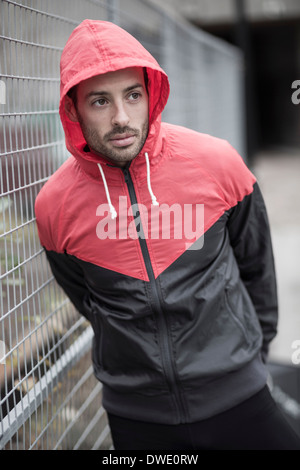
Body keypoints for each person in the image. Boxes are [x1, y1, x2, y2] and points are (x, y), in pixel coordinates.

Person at [35, 19, 300, 450]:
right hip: (137, 416)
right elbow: (88, 299)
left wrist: (250, 357)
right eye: (100, 101)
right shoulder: (54, 206)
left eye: (132, 96)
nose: (121, 118)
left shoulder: (217, 163)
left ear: (151, 95)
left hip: (239, 396)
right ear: (73, 109)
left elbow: (257, 267)